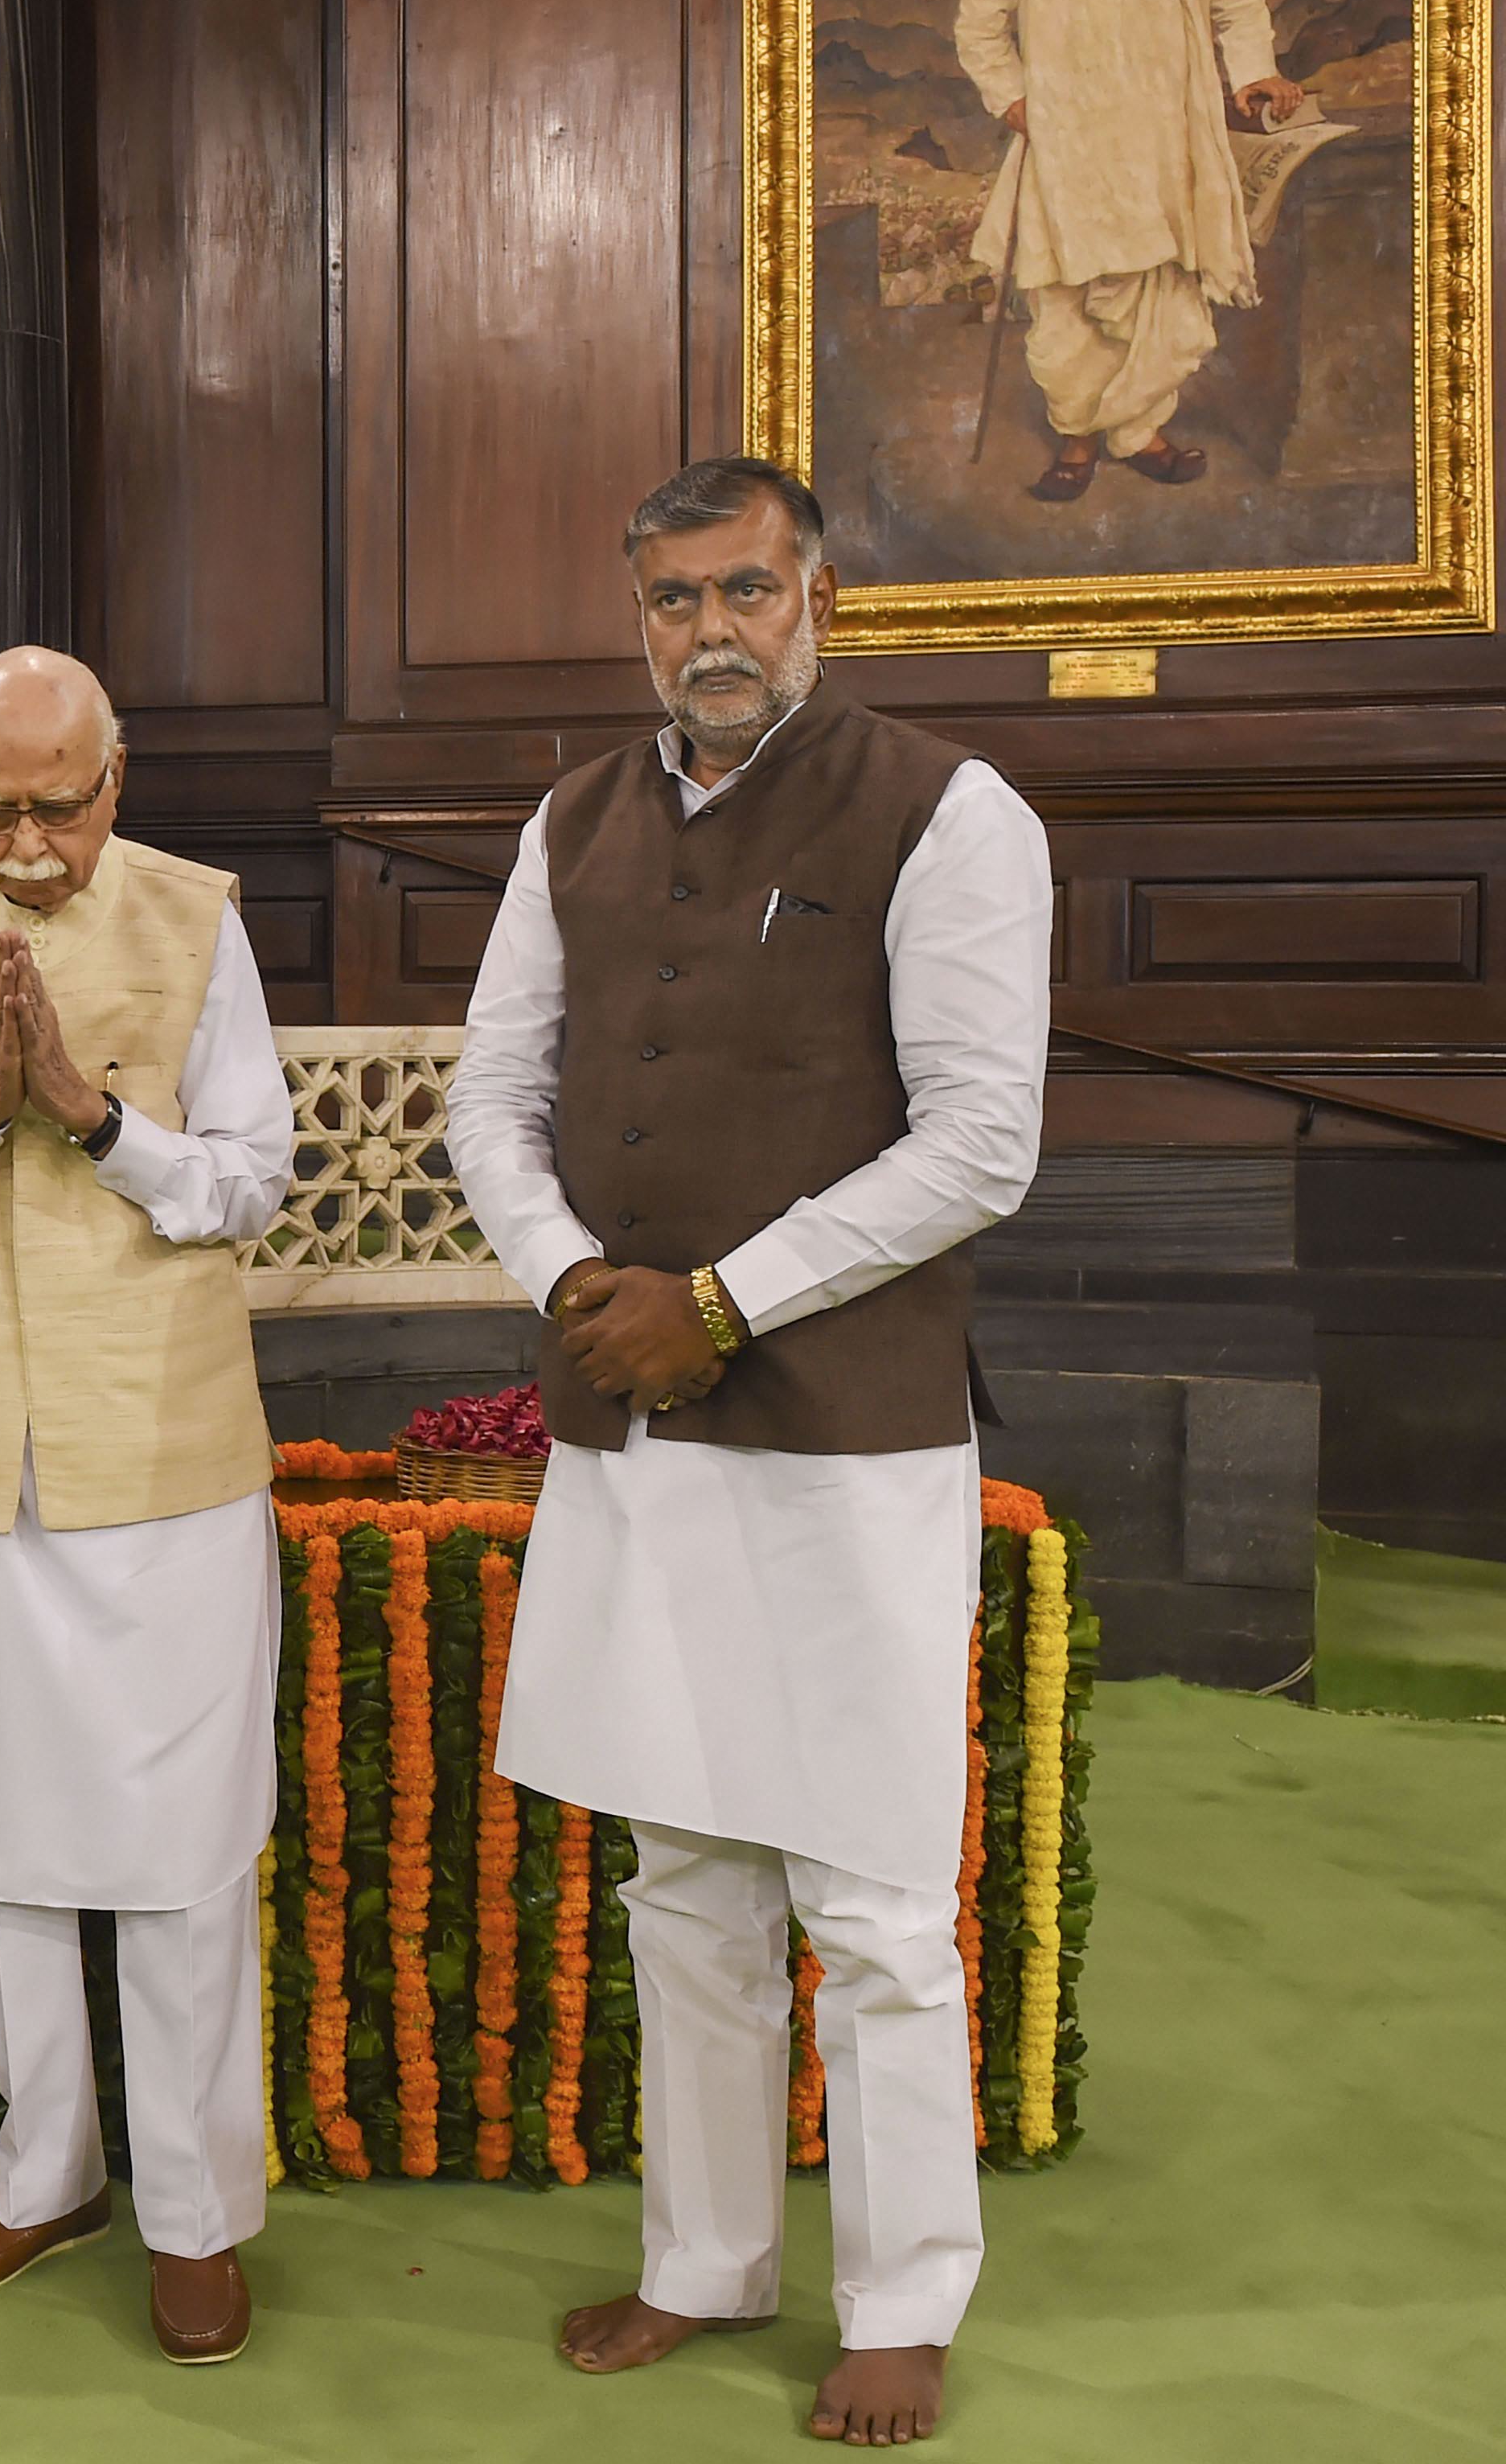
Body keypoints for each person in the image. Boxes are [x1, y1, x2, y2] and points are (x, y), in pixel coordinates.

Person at [449, 457, 1051, 2450]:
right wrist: (571, 1288)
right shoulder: (570, 820)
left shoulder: (948, 814)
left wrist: (711, 1303)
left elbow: (977, 1142)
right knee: (678, 1876)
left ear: (818, 596)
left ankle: (900, 2294)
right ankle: (701, 2261)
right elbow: (490, 1103)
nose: (709, 631)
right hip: (625, 1419)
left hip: (847, 1438)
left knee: (869, 1895)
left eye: (745, 592)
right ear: (635, 617)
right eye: (671, 601)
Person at [0, 646, 294, 2370]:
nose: (24, 842)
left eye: (55, 805)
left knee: (175, 1856)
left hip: (160, 1460)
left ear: (118, 777)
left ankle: (195, 2214)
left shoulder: (195, 918)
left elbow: (253, 1175)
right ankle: (47, 2174)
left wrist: (101, 1126)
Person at [957, 0, 1303, 502]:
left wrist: (1253, 71)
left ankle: (1140, 432)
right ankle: (1076, 438)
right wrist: (1010, 95)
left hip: (1161, 131)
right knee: (1066, 293)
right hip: (1066, 136)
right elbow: (981, 23)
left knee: (1162, 284)